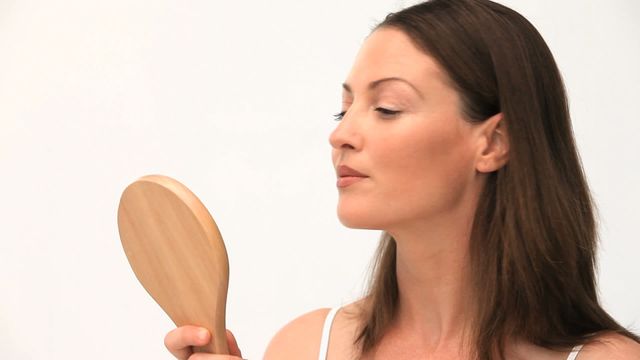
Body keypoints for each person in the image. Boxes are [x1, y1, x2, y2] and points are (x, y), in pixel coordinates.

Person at [164, 0, 640, 359]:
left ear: (494, 142)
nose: (341, 134)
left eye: (387, 108)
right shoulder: (308, 348)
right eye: (344, 107)